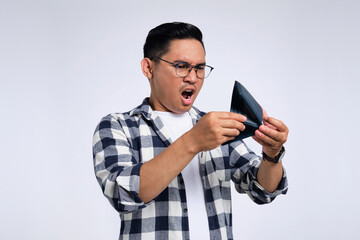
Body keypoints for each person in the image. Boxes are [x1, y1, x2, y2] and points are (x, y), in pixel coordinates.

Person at [92, 22, 289, 240]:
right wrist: (192, 142)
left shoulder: (215, 126)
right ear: (149, 68)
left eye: (200, 67)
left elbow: (262, 190)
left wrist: (272, 155)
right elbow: (122, 195)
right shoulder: (118, 126)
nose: (193, 78)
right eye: (181, 66)